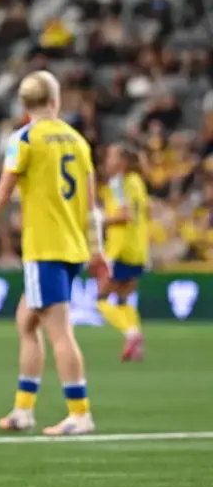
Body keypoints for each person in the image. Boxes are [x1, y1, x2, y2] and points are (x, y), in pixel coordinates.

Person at [0, 70, 109, 436]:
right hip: (74, 246)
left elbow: (2, 191)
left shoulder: (24, 138)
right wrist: (98, 250)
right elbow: (92, 205)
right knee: (27, 321)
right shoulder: (77, 140)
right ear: (55, 101)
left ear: (24, 105)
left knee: (59, 331)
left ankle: (80, 412)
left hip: (45, 248)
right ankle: (23, 409)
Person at [95, 143, 149, 361]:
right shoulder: (137, 182)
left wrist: (98, 219)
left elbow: (124, 215)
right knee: (124, 299)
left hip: (120, 249)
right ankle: (135, 345)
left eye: (111, 157)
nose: (107, 161)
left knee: (102, 300)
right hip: (138, 248)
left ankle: (132, 333)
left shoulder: (120, 183)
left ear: (122, 162)